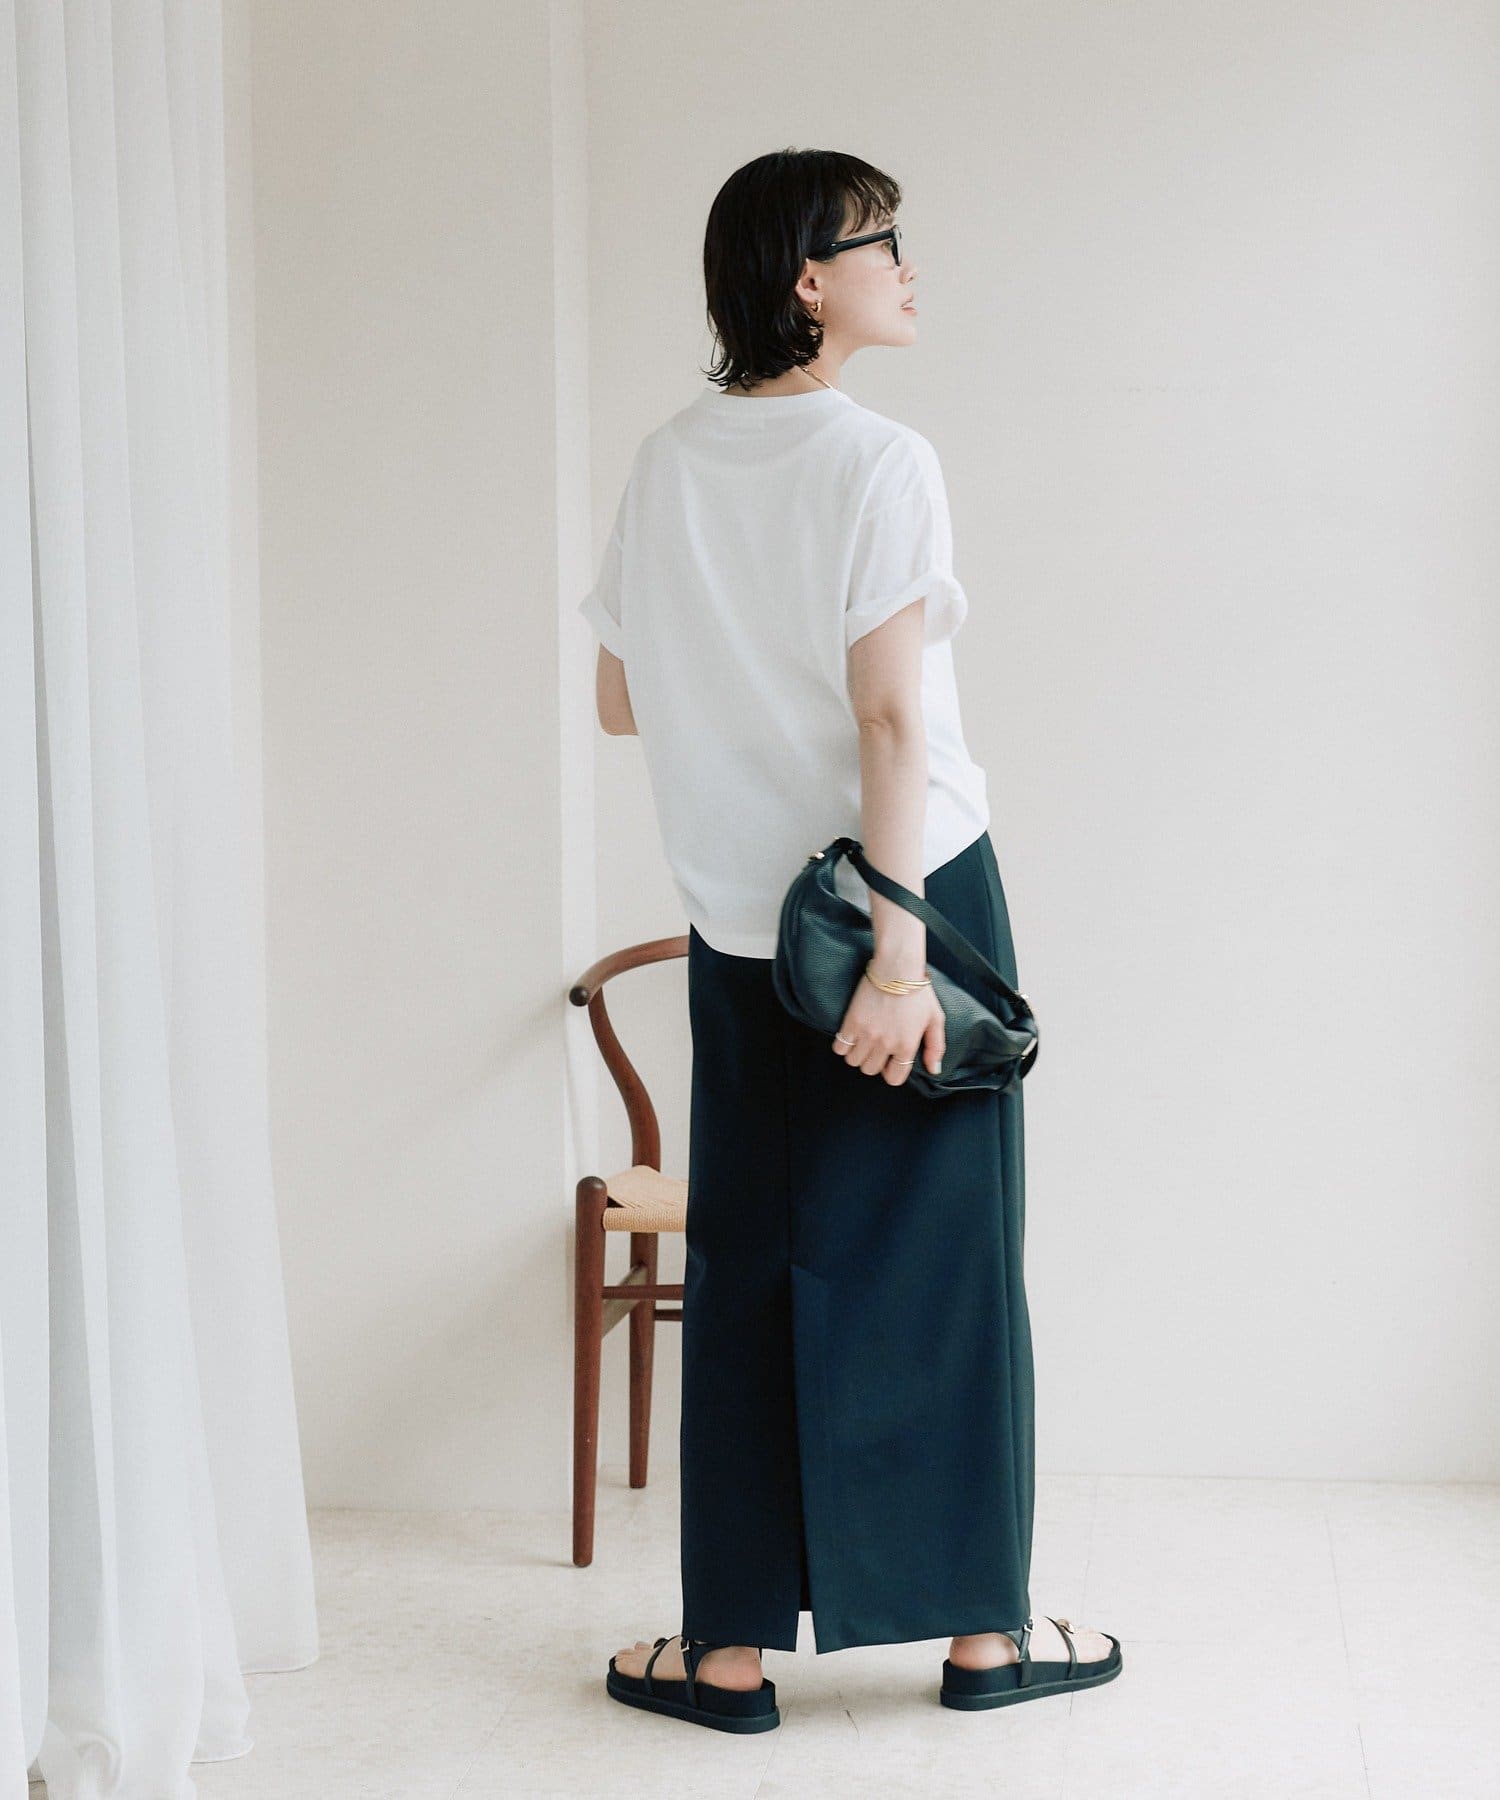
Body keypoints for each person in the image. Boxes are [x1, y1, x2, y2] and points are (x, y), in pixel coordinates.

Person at [577, 147, 1121, 1733]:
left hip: (744, 928)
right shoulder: (880, 459)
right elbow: (891, 717)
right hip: (907, 904)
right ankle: (982, 1641)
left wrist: (734, 682)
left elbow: (619, 700)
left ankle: (729, 1656)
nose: (908, 265)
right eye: (886, 241)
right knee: (942, 1269)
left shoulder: (669, 462)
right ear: (811, 278)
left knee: (754, 1268)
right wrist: (896, 954)